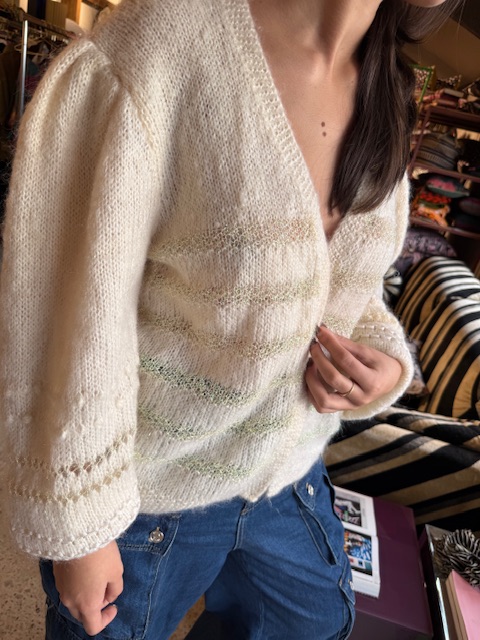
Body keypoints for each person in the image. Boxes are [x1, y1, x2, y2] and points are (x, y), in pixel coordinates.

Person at [0, 0, 461, 638]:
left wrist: (378, 360)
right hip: (144, 497)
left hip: (289, 476)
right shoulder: (159, 48)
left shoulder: (387, 83)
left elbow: (339, 282)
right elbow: (62, 303)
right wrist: (79, 519)